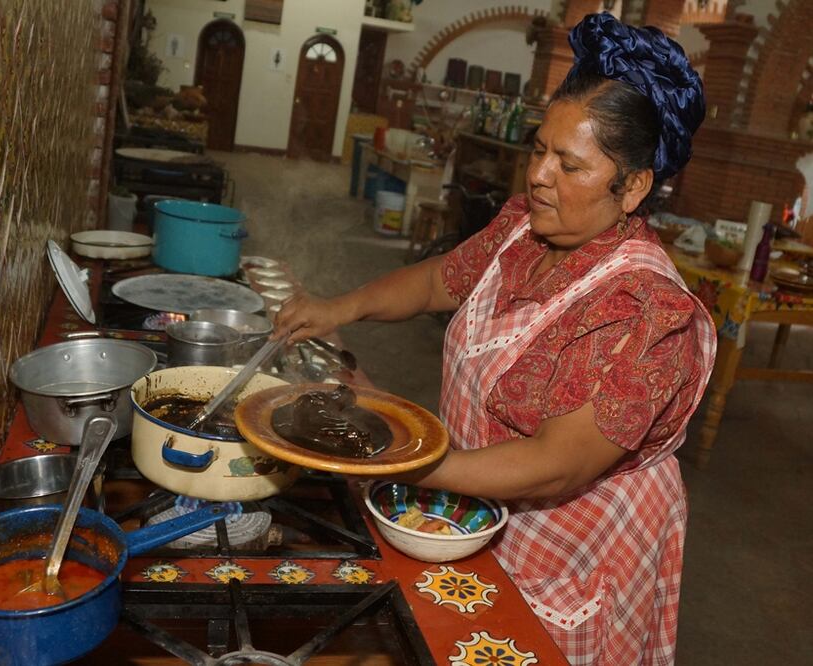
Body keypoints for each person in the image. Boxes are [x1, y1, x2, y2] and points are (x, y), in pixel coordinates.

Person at [274, 13, 715, 666]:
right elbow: (432, 284)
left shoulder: (644, 312)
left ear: (633, 188)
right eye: (540, 149)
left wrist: (401, 451)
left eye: (568, 164)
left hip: (575, 542)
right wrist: (337, 306)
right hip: (477, 500)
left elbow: (557, 463)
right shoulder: (524, 230)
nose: (537, 174)